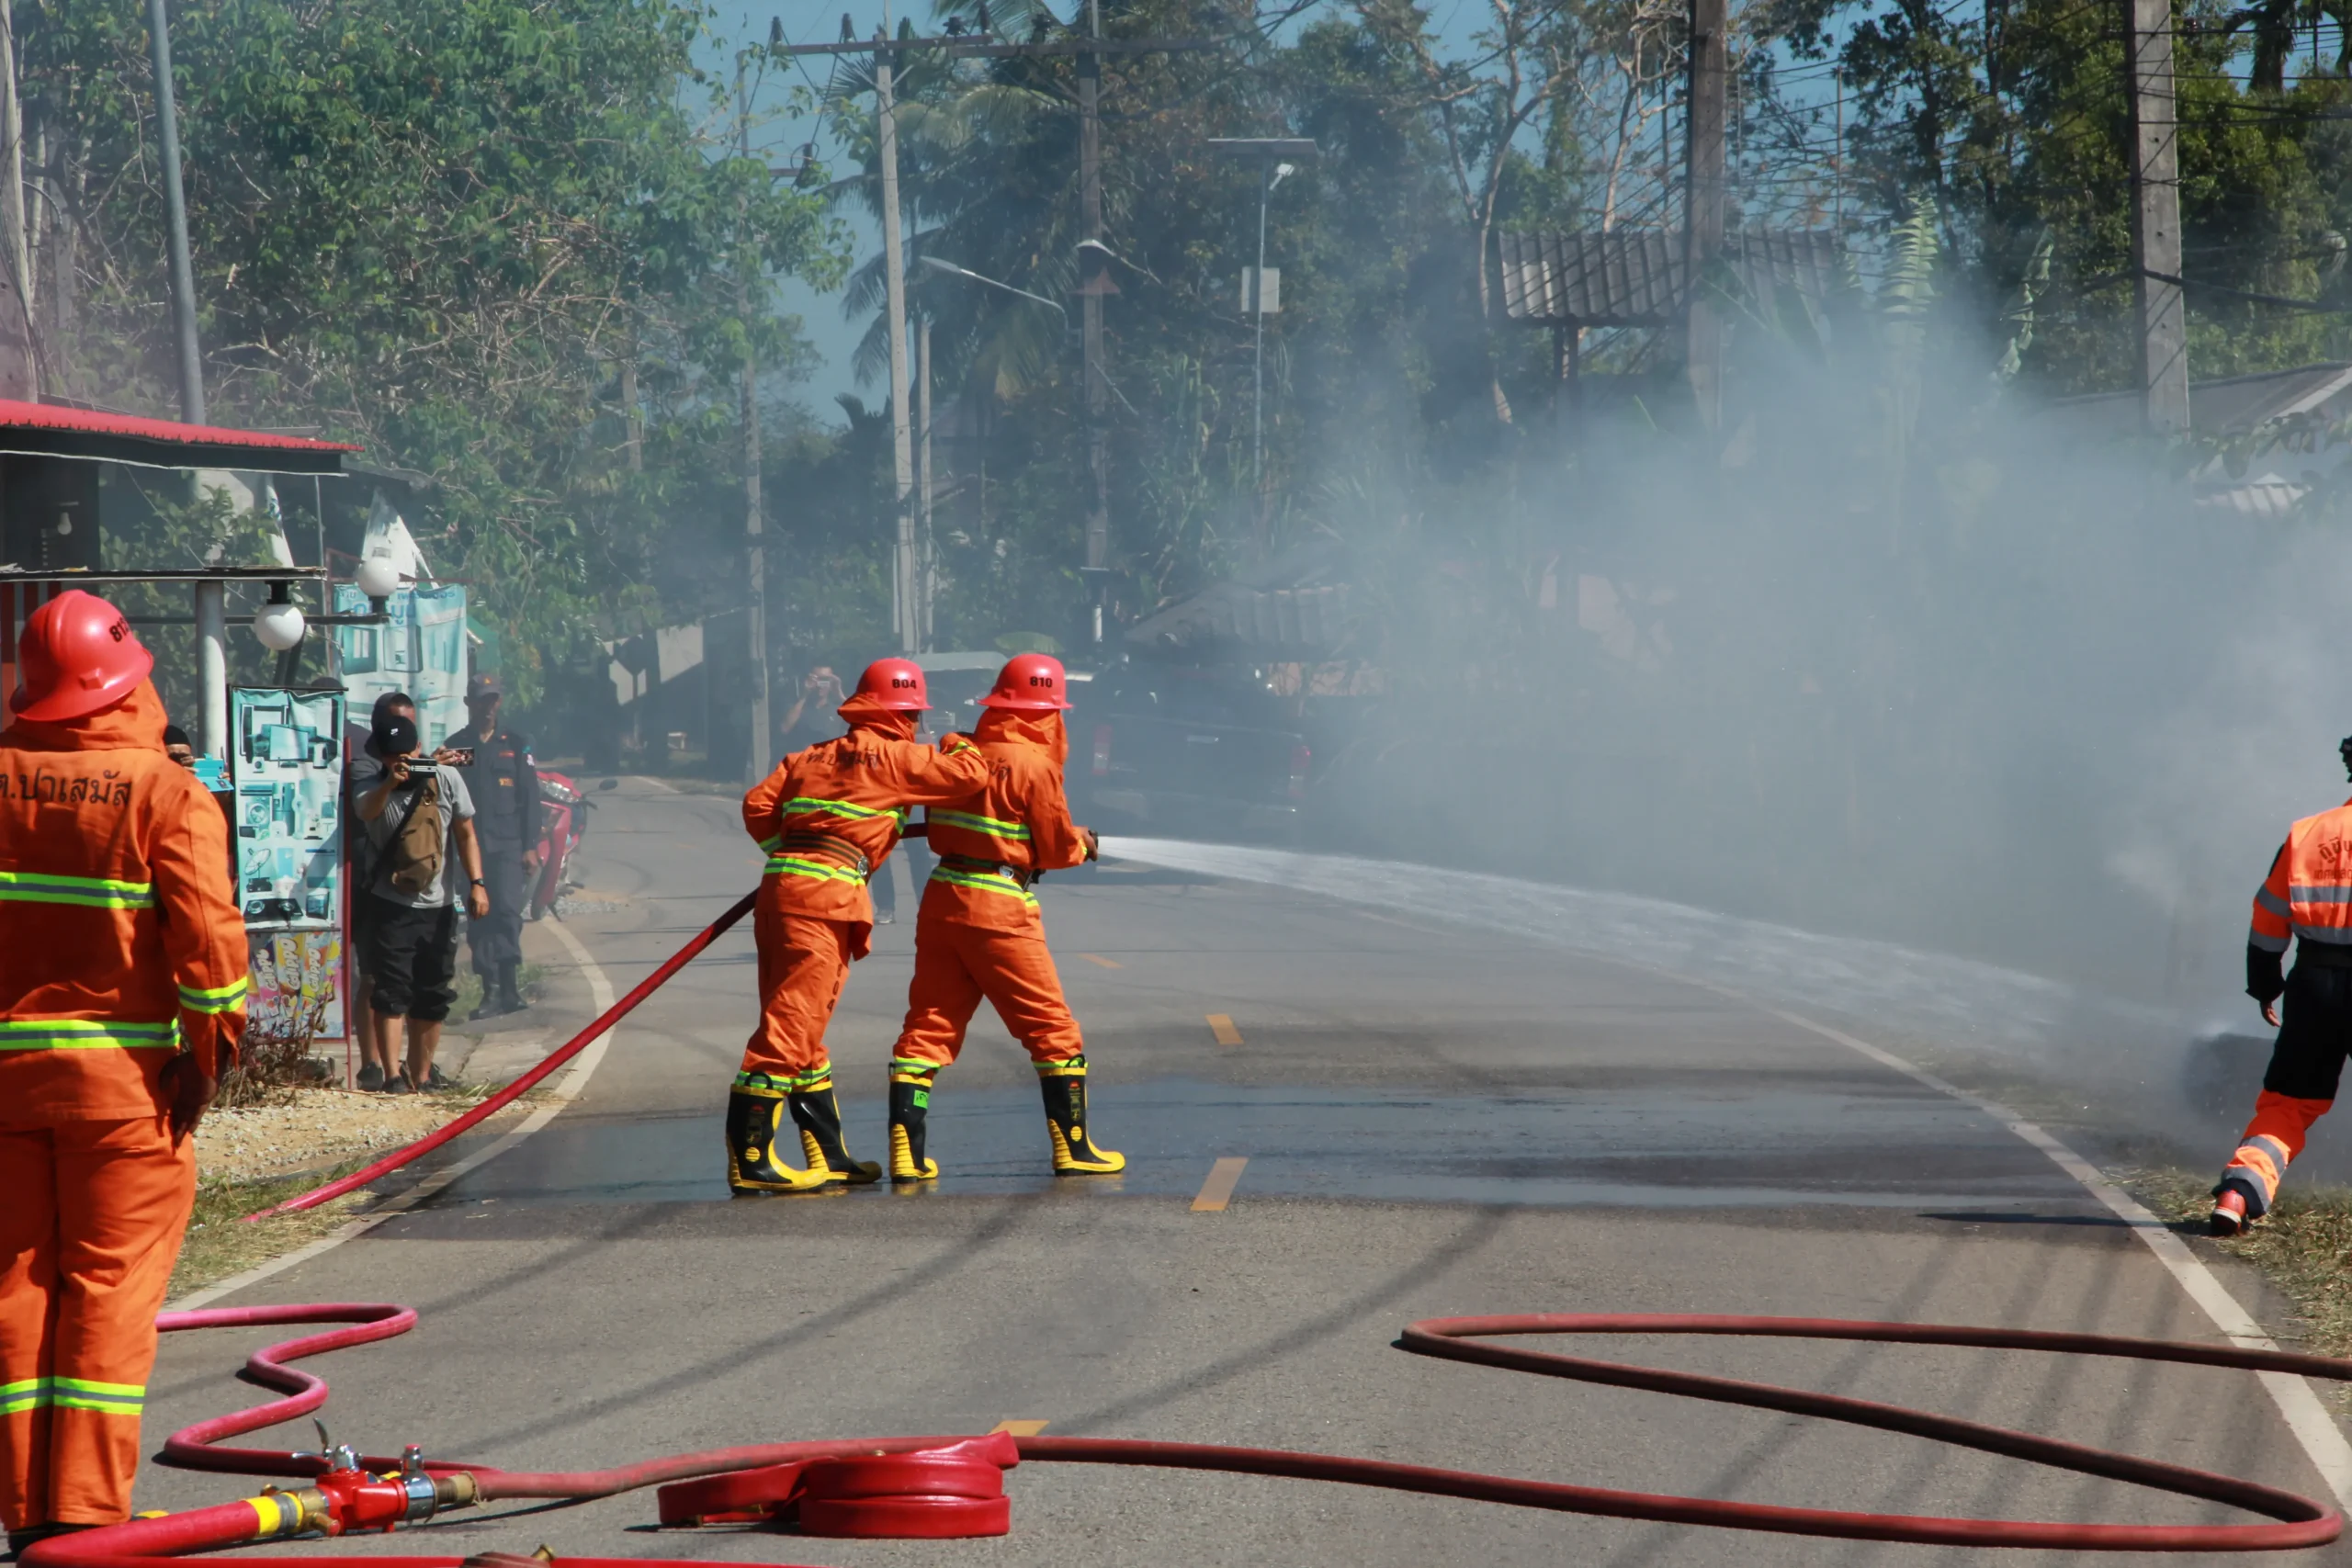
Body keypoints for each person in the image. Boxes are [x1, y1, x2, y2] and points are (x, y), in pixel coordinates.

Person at [0, 591, 248, 1555]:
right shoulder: (165, 792)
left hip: (6, 1090)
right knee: (107, 1292)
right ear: (128, 675)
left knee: (17, 1291)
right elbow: (213, 958)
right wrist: (206, 1064)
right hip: (123, 1092)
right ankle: (87, 1515)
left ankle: (26, 1510)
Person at [727, 658, 989, 1194]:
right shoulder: (900, 756)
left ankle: (830, 1155)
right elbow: (971, 778)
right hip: (825, 899)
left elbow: (757, 805)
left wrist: (793, 854)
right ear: (905, 713)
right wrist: (959, 741)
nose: (918, 723)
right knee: (790, 1026)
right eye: (916, 713)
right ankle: (750, 1159)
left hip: (783, 893)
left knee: (804, 1027)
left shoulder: (813, 753)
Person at [884, 653, 1118, 1183]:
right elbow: (1054, 847)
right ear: (1049, 712)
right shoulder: (1034, 765)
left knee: (927, 1025)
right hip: (999, 905)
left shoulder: (957, 750)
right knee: (1052, 1029)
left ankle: (908, 1153)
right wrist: (1082, 847)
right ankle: (1074, 1149)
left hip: (943, 896)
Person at [356, 711, 489, 1094]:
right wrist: (390, 783)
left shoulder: (445, 778)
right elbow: (366, 812)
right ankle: (393, 1076)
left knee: (432, 994)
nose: (403, 760)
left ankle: (423, 1075)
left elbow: (465, 834)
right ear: (381, 756)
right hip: (391, 904)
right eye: (393, 755)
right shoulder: (370, 786)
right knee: (391, 991)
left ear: (418, 747)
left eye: (408, 752)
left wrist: (477, 884)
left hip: (440, 905)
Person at [444, 673, 540, 1020]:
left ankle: (511, 987)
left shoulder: (515, 742)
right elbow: (447, 799)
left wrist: (530, 847)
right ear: (469, 703)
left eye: (492, 699)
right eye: (481, 700)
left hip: (508, 844)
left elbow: (530, 798)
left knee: (508, 914)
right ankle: (491, 990)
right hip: (471, 848)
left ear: (498, 702)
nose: (487, 706)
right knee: (480, 917)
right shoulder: (458, 745)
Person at [345, 691, 417, 1092]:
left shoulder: (416, 762)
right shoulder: (363, 761)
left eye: (409, 724)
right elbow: (368, 805)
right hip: (363, 880)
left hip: (403, 882)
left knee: (402, 976)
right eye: (396, 723)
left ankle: (414, 1065)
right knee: (369, 975)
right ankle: (372, 1062)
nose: (402, 733)